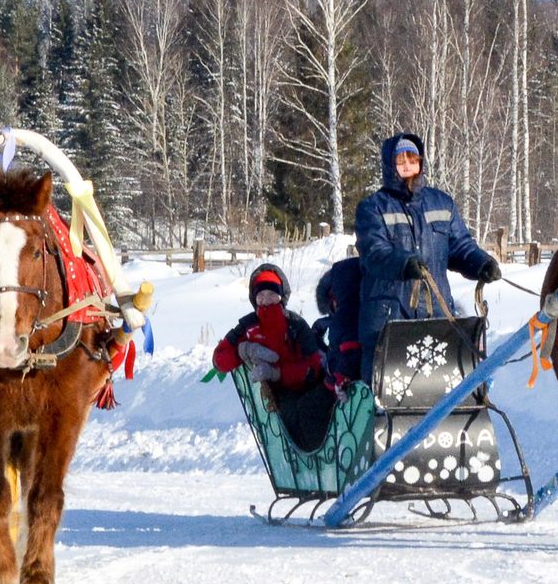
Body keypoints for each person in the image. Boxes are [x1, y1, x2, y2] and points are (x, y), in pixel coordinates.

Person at [353, 133, 500, 383]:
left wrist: (481, 264)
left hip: (437, 315)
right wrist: (403, 263)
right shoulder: (372, 207)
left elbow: (460, 246)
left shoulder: (441, 203)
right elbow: (374, 253)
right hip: (389, 318)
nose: (408, 164)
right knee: (386, 395)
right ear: (390, 165)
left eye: (413, 158)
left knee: (439, 389)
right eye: (401, 160)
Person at [212, 264, 334, 450]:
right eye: (261, 295)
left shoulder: (295, 324)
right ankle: (301, 460)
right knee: (289, 411)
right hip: (275, 395)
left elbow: (313, 367)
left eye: (271, 294)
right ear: (254, 298)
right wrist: (242, 351)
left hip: (306, 386)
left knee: (311, 407)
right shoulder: (247, 326)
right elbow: (219, 361)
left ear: (281, 296)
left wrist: (277, 373)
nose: (266, 300)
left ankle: (317, 457)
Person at [313, 256, 365, 390]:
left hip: (344, 384)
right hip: (337, 376)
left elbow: (350, 352)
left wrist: (338, 377)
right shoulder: (327, 324)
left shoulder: (345, 321)